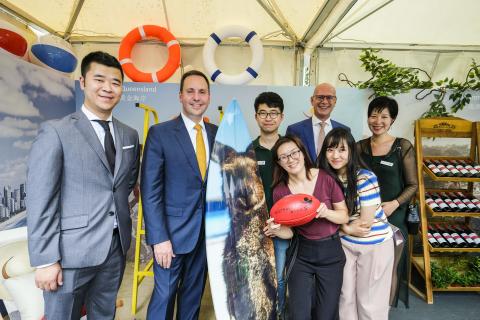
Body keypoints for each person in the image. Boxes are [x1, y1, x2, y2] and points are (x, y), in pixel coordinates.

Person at [27, 51, 140, 318]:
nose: (107, 88)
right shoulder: (57, 131)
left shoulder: (129, 134)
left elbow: (124, 184)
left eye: (115, 82)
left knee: (104, 314)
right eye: (99, 79)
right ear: (83, 82)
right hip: (70, 254)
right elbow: (40, 198)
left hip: (115, 248)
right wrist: (45, 259)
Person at [141, 70, 218, 319]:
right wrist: (159, 238)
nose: (197, 97)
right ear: (180, 96)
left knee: (193, 296)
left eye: (202, 92)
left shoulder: (217, 134)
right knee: (164, 297)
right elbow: (150, 191)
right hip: (170, 238)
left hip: (206, 235)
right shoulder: (160, 133)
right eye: (190, 91)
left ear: (209, 96)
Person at [264, 135, 349, 320]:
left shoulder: (326, 178)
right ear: (279, 163)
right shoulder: (280, 191)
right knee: (299, 313)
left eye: (294, 152)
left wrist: (326, 213)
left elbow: (344, 215)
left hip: (331, 253)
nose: (291, 159)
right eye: (284, 157)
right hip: (301, 254)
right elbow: (289, 232)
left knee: (326, 314)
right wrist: (277, 230)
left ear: (302, 153)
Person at [318, 128, 394, 319]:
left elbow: (363, 225)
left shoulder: (365, 178)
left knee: (369, 301)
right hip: (344, 244)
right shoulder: (324, 179)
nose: (335, 155)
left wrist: (341, 226)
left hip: (373, 245)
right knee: (345, 297)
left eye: (342, 149)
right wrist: (345, 227)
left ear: (351, 151)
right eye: (330, 149)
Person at [357, 96, 418, 307]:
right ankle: (365, 306)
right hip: (364, 217)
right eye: (373, 115)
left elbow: (413, 185)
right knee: (366, 265)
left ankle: (383, 309)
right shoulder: (358, 147)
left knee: (391, 266)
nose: (377, 121)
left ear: (392, 119)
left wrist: (394, 203)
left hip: (393, 217)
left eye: (384, 116)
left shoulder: (402, 147)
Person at [251, 91, 287, 318]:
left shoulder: (289, 149)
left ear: (281, 117)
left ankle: (278, 314)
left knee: (280, 277)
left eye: (273, 113)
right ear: (256, 116)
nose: (268, 118)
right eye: (263, 113)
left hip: (284, 226)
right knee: (256, 276)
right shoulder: (248, 149)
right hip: (255, 227)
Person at [286, 83, 350, 163]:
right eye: (320, 97)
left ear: (335, 101)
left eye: (329, 97)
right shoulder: (294, 130)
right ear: (312, 101)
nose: (324, 102)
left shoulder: (344, 130)